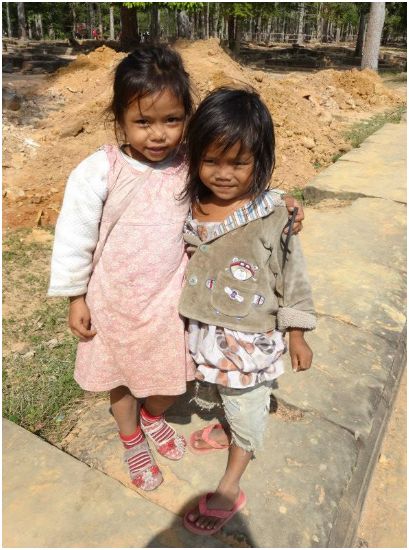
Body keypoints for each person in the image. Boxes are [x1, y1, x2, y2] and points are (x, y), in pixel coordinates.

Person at [48, 45, 304, 493]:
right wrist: (76, 296)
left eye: (172, 120)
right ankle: (131, 438)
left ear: (187, 117)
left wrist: (282, 204)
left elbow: (232, 188)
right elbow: (74, 236)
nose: (158, 134)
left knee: (172, 377)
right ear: (119, 118)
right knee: (120, 380)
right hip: (114, 302)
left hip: (170, 303)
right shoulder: (100, 171)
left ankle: (153, 416)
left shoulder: (190, 164)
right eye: (143, 121)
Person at [179, 87, 316, 535]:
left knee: (246, 407)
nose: (223, 174)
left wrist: (297, 333)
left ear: (261, 160)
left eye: (239, 163)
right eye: (211, 161)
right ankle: (231, 430)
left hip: (249, 342)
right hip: (207, 335)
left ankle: (231, 483)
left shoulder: (272, 214)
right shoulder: (192, 203)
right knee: (225, 394)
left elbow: (293, 276)